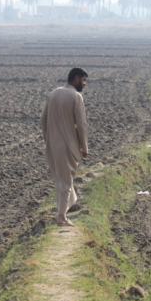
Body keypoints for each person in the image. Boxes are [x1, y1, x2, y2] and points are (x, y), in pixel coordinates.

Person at [41, 68, 88, 227]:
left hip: (53, 145)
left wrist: (48, 138)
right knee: (66, 182)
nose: (84, 84)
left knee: (60, 180)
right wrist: (84, 147)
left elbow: (43, 119)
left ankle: (62, 212)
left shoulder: (54, 93)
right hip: (68, 145)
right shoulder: (76, 96)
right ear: (76, 78)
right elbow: (81, 125)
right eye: (83, 80)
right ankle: (61, 217)